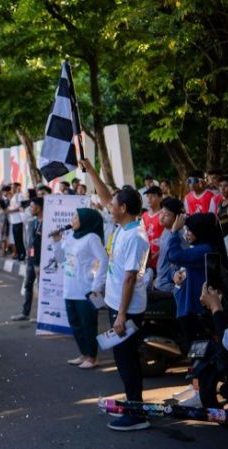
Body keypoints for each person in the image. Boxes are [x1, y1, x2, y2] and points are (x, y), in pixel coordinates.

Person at [80, 158, 151, 431]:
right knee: (123, 360)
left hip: (128, 308)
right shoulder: (125, 226)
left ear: (124, 208)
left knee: (127, 360)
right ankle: (133, 404)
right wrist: (91, 169)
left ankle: (136, 414)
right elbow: (106, 195)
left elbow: (130, 278)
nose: (109, 206)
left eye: (114, 204)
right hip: (116, 304)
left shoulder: (135, 236)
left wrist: (121, 314)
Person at [50, 208, 108, 368]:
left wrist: (97, 285)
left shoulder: (92, 238)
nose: (72, 219)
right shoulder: (70, 236)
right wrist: (56, 241)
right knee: (75, 323)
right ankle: (84, 354)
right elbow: (62, 259)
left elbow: (103, 260)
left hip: (86, 289)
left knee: (88, 324)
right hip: (70, 288)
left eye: (76, 216)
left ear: (86, 220)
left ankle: (92, 357)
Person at [168, 212, 227, 352]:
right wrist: (175, 274)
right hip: (190, 306)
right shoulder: (199, 247)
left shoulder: (205, 250)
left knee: (198, 351)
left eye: (190, 230)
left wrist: (174, 232)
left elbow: (174, 255)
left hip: (195, 309)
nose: (187, 233)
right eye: (186, 230)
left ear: (200, 231)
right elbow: (175, 262)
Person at [11, 197, 44, 321]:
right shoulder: (33, 222)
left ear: (39, 207)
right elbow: (30, 242)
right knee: (28, 285)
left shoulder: (46, 223)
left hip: (41, 261)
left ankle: (42, 315)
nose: (30, 209)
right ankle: (25, 313)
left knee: (42, 288)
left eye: (32, 206)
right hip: (31, 258)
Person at [153, 198, 186, 293]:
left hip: (169, 288)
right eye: (161, 213)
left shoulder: (179, 235)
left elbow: (181, 264)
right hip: (160, 283)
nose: (162, 217)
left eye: (166, 215)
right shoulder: (167, 230)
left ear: (177, 218)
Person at [141, 186, 164, 269]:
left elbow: (167, 239)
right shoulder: (144, 216)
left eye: (153, 196)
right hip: (146, 259)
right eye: (148, 196)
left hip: (161, 258)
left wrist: (156, 255)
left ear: (160, 198)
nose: (149, 199)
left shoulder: (164, 215)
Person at [217, 175, 228, 265]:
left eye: (226, 186)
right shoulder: (220, 204)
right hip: (224, 240)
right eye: (220, 186)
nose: (222, 189)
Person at [8, 182, 26, 261]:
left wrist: (11, 211)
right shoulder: (13, 197)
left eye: (13, 187)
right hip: (13, 221)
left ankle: (22, 254)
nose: (12, 189)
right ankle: (18, 254)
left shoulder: (20, 196)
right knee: (16, 239)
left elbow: (20, 207)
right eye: (11, 187)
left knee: (20, 239)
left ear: (17, 187)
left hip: (19, 220)